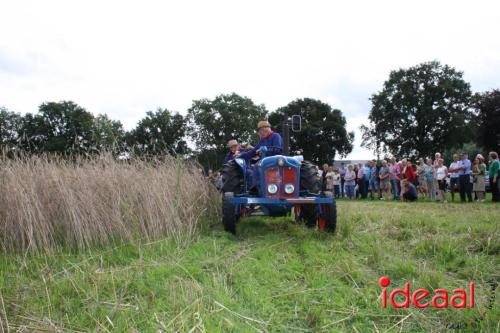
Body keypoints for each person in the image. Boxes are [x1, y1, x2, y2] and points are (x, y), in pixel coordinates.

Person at [237, 120, 283, 192]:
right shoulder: (262, 141)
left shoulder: (276, 136)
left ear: (265, 130)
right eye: (259, 133)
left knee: (258, 165)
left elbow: (278, 149)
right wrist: (240, 156)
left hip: (276, 160)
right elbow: (252, 152)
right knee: (257, 165)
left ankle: (258, 188)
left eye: (260, 132)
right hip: (265, 161)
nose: (260, 135)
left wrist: (265, 149)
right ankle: (258, 188)